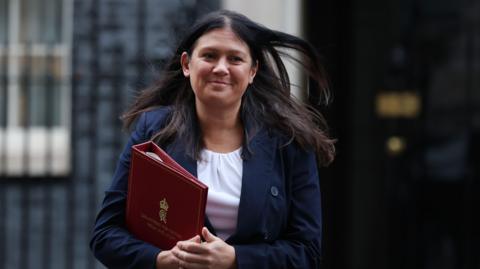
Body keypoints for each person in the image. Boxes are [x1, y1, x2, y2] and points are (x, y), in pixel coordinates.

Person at [90, 9, 335, 269]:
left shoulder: (288, 141)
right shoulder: (154, 131)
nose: (221, 68)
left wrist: (235, 260)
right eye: (209, 56)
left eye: (235, 59)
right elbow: (106, 235)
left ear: (253, 71)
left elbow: (307, 252)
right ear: (187, 64)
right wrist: (160, 260)